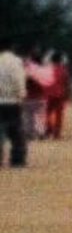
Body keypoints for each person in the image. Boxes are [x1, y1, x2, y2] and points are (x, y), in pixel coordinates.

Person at [0, 39, 28, 168]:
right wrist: (21, 95)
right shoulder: (15, 61)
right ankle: (17, 159)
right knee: (16, 132)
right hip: (12, 101)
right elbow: (19, 80)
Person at [43, 50, 69, 140]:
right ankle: (56, 133)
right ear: (60, 60)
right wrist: (67, 95)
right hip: (60, 94)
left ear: (51, 60)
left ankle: (48, 129)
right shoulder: (64, 70)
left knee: (47, 113)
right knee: (59, 115)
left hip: (48, 94)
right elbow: (66, 83)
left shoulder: (47, 69)